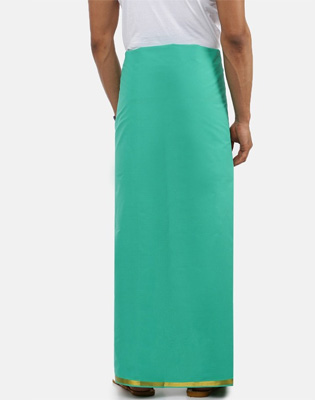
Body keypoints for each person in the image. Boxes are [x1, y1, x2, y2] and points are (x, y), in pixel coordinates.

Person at [88, 0, 253, 397]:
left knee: (139, 230)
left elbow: (100, 42)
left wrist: (125, 109)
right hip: (199, 87)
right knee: (206, 227)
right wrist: (244, 117)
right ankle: (203, 371)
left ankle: (138, 370)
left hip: (140, 90)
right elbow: (234, 36)